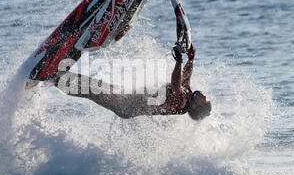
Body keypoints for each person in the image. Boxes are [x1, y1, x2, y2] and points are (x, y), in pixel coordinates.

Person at [53, 42, 211, 120]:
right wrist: (191, 58)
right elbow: (186, 76)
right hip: (127, 99)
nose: (204, 96)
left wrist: (178, 61)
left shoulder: (181, 101)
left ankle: (52, 78)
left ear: (195, 105)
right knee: (93, 85)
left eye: (204, 100)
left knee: (90, 89)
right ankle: (57, 76)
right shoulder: (188, 95)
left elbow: (176, 84)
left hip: (125, 105)